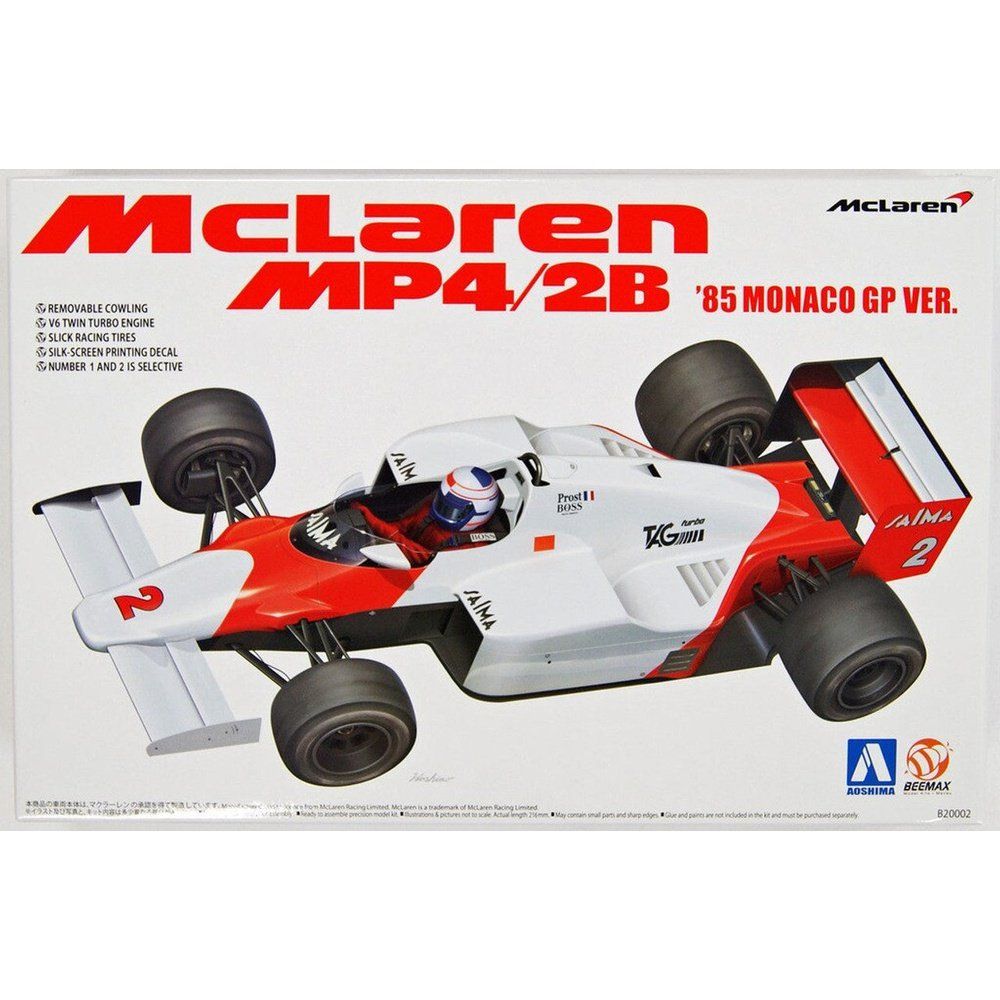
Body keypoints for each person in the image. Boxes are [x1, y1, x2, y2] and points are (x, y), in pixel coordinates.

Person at [352, 466, 501, 566]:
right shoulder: (433, 509)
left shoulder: (472, 550)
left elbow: (421, 556)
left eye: (453, 510)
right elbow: (402, 526)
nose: (442, 510)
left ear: (479, 513)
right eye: (441, 502)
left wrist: (371, 520)